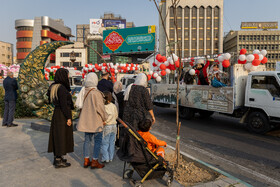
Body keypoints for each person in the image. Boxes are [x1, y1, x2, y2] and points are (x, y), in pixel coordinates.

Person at [76, 73, 108, 169]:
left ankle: (86, 160)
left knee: (87, 140)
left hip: (86, 120)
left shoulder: (83, 90)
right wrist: (105, 118)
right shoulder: (96, 92)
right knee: (97, 141)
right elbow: (100, 108)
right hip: (96, 120)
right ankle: (94, 161)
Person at [47, 68, 74, 168]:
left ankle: (58, 157)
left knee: (57, 136)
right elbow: (64, 105)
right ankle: (59, 160)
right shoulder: (62, 88)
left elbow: (48, 99)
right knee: (62, 136)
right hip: (62, 115)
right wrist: (68, 118)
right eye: (67, 75)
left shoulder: (53, 86)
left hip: (56, 113)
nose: (68, 77)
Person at [100, 91, 118, 163]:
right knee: (112, 142)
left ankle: (105, 158)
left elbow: (107, 116)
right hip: (114, 126)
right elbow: (116, 115)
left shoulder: (103, 107)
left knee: (105, 143)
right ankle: (111, 157)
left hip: (107, 126)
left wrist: (105, 121)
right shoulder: (113, 105)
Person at [112, 81, 125, 147]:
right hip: (121, 113)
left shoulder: (112, 94)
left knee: (115, 129)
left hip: (114, 113)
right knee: (122, 129)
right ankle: (121, 142)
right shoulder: (122, 94)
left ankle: (115, 141)